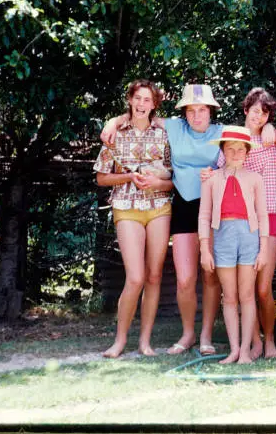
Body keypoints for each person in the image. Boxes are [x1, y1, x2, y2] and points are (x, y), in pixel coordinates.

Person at [100, 84, 276, 356]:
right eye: (192, 110)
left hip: (215, 208)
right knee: (184, 279)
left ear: (211, 111)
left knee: (211, 276)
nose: (197, 115)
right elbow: (140, 114)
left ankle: (206, 335)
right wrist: (113, 121)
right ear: (184, 112)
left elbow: (250, 132)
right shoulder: (173, 127)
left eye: (203, 110)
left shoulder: (221, 132)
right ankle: (188, 334)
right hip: (184, 205)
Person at [93, 79, 173, 358]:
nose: (141, 104)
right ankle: (119, 341)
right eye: (137, 98)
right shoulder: (116, 132)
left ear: (154, 104)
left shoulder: (164, 134)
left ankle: (145, 342)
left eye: (147, 100)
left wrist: (157, 184)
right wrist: (128, 177)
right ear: (130, 100)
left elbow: (175, 180)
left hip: (159, 207)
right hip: (126, 207)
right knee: (136, 277)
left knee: (153, 276)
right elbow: (102, 177)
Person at [198, 125, 269, 364]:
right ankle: (234, 349)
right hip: (223, 236)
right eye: (230, 149)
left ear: (248, 152)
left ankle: (247, 352)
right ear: (222, 151)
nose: (236, 154)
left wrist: (264, 248)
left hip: (249, 235)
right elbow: (204, 215)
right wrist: (204, 249)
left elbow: (262, 215)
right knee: (229, 296)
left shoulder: (255, 179)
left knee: (247, 294)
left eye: (241, 149)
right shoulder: (211, 179)